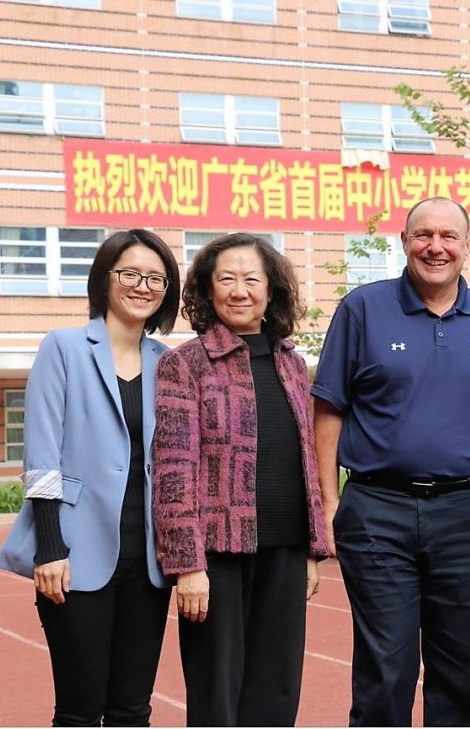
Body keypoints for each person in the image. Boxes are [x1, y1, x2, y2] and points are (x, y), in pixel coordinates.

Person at [311, 197, 470, 727]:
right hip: (376, 509)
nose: (435, 247)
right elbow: (327, 409)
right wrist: (328, 501)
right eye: (423, 235)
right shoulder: (362, 309)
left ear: (468, 247)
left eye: (448, 237)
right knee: (385, 668)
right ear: (404, 241)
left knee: (463, 670)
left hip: (465, 511)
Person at [0, 229, 180, 726]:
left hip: (148, 561)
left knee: (132, 709)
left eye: (156, 278)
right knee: (79, 709)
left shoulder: (168, 364)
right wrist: (50, 548)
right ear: (104, 279)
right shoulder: (64, 347)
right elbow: (41, 459)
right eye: (130, 273)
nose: (143, 286)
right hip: (75, 556)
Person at [151, 233, 328, 727]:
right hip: (217, 555)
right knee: (217, 696)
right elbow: (173, 468)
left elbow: (307, 460)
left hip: (285, 551)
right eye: (226, 279)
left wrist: (312, 550)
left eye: (252, 279)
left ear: (271, 292)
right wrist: (187, 565)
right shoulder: (184, 363)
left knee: (277, 691)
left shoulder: (292, 363)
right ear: (207, 291)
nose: (239, 290)